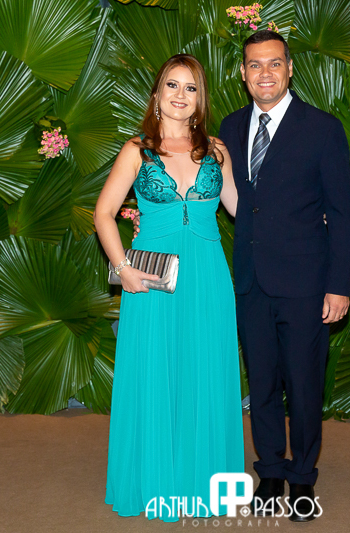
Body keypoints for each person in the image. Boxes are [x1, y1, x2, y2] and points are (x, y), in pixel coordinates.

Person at [93, 54, 244, 523]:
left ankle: (202, 483)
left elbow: (243, 210)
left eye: (191, 88)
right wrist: (123, 268)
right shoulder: (136, 150)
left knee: (205, 372)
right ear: (157, 94)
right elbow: (103, 214)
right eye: (172, 86)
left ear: (200, 99)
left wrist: (301, 220)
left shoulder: (217, 151)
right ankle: (155, 482)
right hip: (152, 280)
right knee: (155, 374)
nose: (181, 95)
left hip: (208, 279)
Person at [217, 30, 350, 522]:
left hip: (306, 285)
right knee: (262, 382)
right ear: (243, 73)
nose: (265, 73)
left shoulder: (322, 129)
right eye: (255, 65)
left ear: (290, 69)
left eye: (274, 63)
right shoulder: (230, 127)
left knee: (303, 385)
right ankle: (271, 472)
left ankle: (302, 479)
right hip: (251, 281)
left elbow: (342, 214)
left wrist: (338, 286)